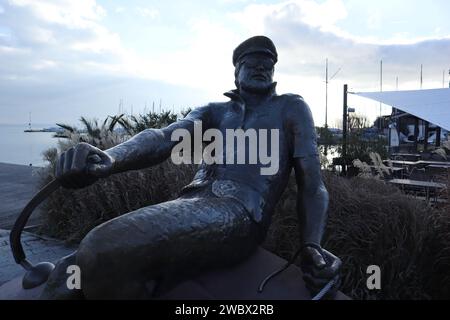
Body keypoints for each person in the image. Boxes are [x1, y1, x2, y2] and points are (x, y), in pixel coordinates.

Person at [41, 35, 341, 299]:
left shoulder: (291, 107)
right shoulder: (214, 111)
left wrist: (311, 247)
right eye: (253, 62)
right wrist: (110, 158)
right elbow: (163, 137)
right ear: (236, 71)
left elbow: (313, 186)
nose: (262, 67)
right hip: (192, 203)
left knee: (101, 249)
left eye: (268, 63)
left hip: (240, 212)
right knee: (70, 270)